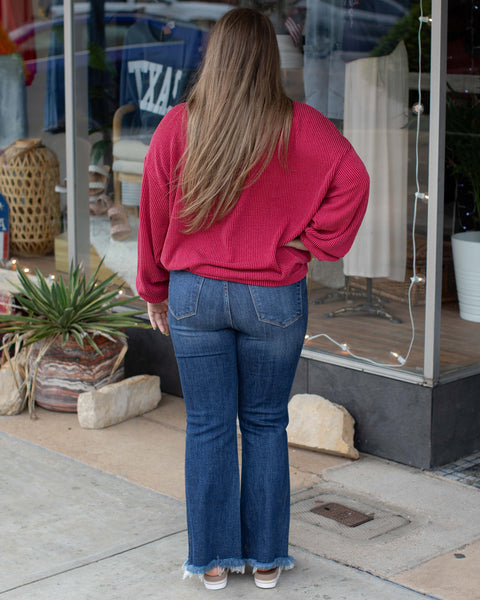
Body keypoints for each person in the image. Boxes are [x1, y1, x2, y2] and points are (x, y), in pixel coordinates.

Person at [136, 7, 369, 590]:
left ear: (213, 56)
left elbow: (152, 214)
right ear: (271, 58)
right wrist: (310, 242)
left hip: (195, 297)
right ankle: (266, 560)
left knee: (208, 426)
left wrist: (153, 290)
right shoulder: (302, 126)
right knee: (264, 424)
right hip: (273, 297)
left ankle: (212, 562)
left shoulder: (179, 127)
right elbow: (356, 179)